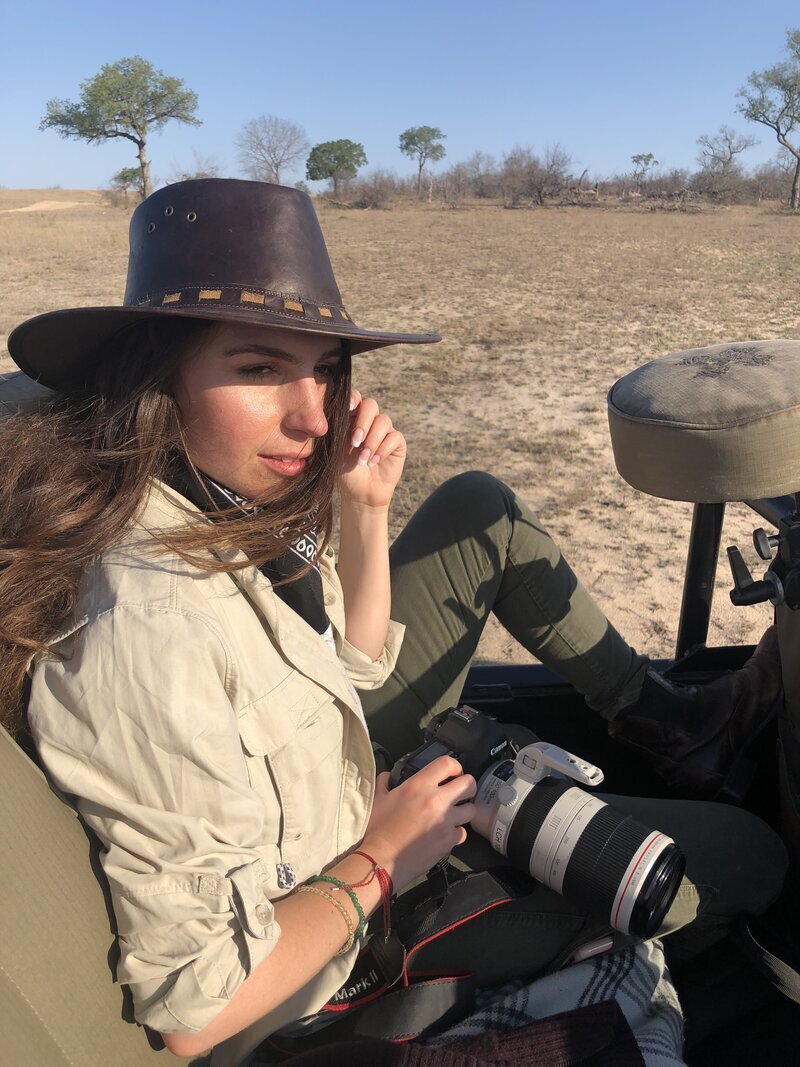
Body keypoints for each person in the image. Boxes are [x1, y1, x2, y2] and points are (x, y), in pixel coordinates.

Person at [1, 178, 786, 1063]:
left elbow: (347, 672)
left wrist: (366, 510)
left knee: (475, 507)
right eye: (258, 367)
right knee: (751, 857)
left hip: (358, 827)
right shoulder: (148, 625)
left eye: (327, 369)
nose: (312, 414)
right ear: (153, 373)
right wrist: (382, 856)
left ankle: (673, 728)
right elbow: (196, 1012)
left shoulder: (206, 502)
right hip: (336, 966)